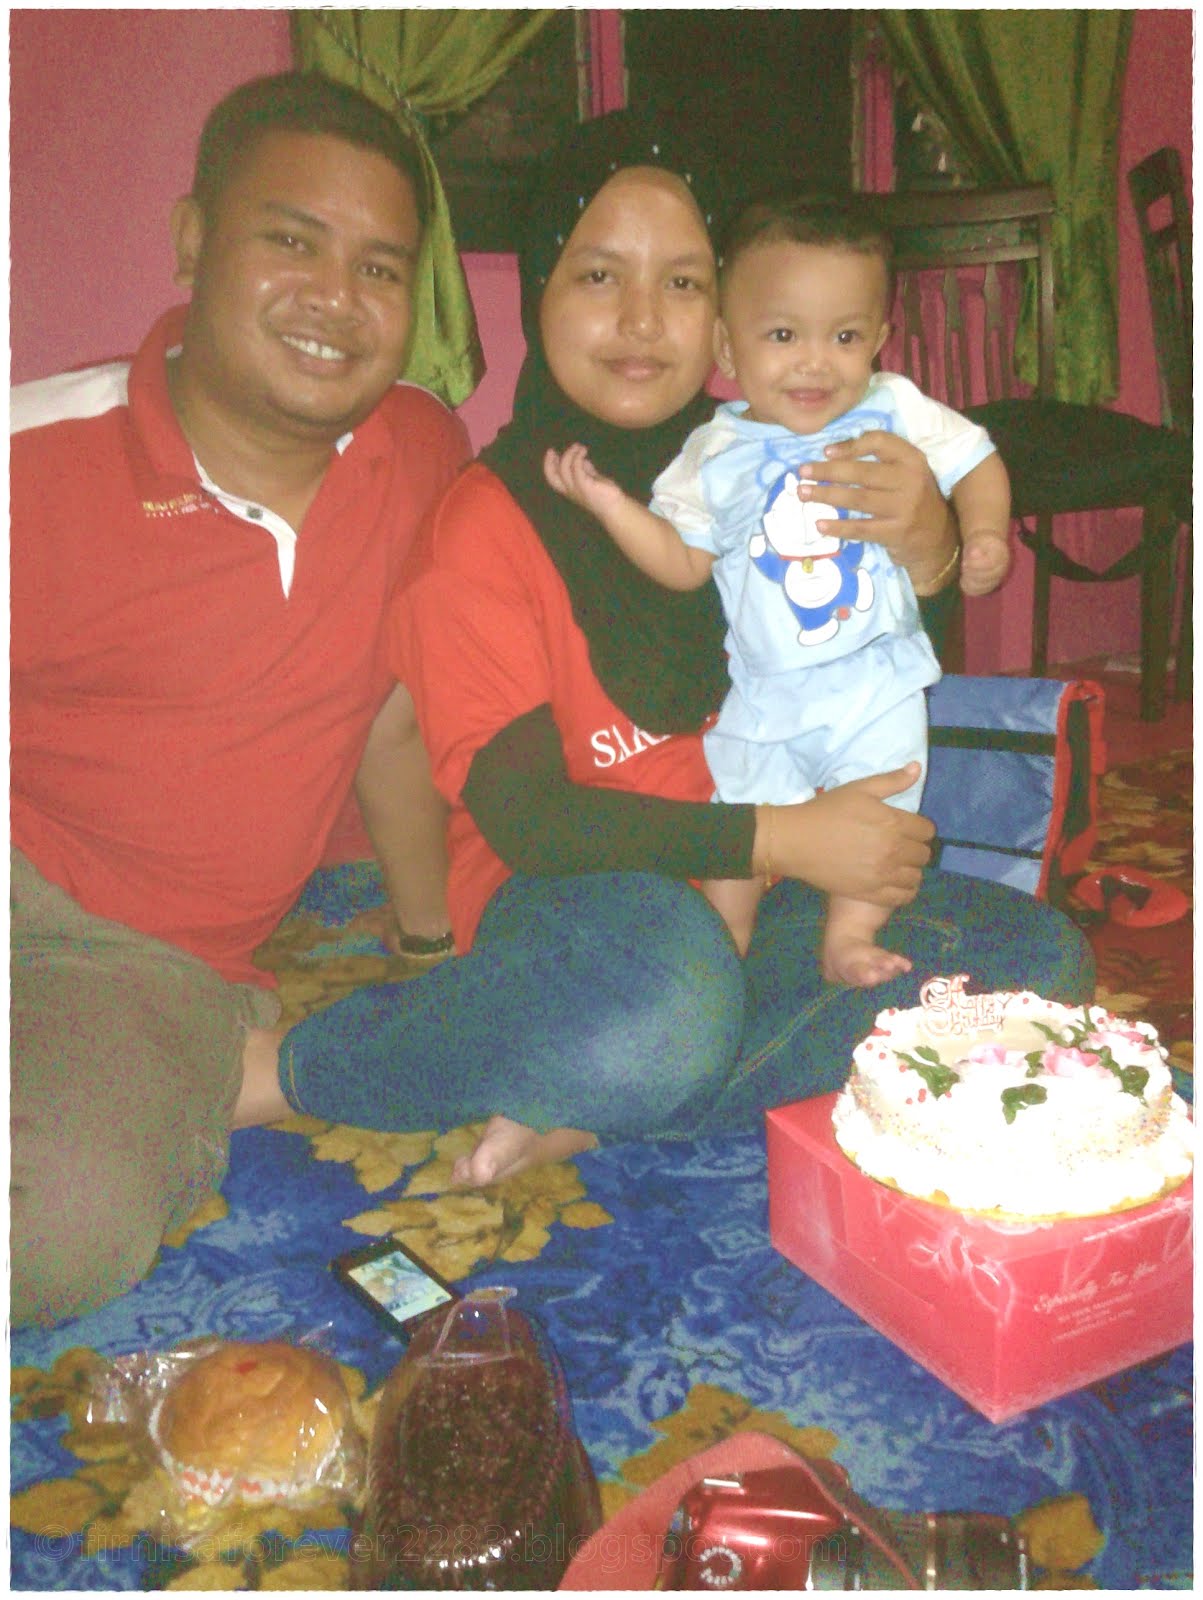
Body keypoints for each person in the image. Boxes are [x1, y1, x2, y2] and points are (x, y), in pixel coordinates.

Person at [260, 111, 1092, 1189]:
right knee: (664, 1000)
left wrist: (930, 545)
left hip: (764, 885)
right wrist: (781, 838)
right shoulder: (483, 528)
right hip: (587, 904)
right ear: (540, 291)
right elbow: (530, 821)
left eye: (685, 282)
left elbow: (874, 658)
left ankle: (597, 1101)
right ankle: (305, 1066)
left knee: (1034, 961)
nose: (643, 320)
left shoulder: (774, 461)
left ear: (727, 319)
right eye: (599, 275)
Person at [10, 71, 471, 1327]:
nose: (336, 297)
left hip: (130, 958)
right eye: (291, 241)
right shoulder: (33, 459)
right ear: (193, 240)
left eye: (380, 268)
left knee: (57, 1231)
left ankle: (196, 1064)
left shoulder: (422, 453)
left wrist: (429, 950)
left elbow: (395, 705)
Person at [542, 196, 1013, 977]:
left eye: (844, 337)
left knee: (884, 802)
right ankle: (727, 939)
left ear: (879, 342)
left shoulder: (892, 407)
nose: (814, 363)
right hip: (763, 694)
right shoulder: (712, 451)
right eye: (783, 335)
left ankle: (847, 937)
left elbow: (975, 460)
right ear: (728, 345)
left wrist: (984, 531)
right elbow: (682, 562)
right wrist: (611, 506)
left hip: (873, 680)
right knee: (738, 818)